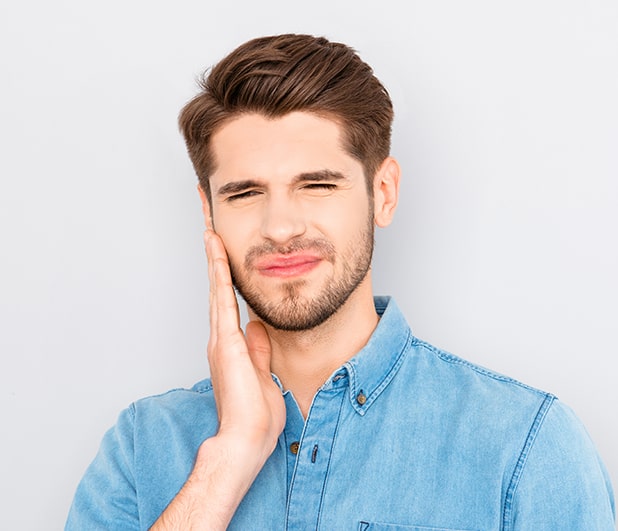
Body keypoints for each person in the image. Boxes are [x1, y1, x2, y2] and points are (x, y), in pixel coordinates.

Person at [66, 34, 615, 530]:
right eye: (244, 193)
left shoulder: (526, 446)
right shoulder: (141, 448)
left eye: (318, 185)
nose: (280, 227)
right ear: (208, 211)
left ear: (384, 192)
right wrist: (228, 459)